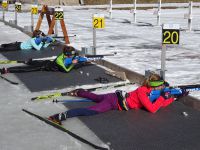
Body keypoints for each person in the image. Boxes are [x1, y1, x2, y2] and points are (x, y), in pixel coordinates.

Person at [48, 73, 189, 125]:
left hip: (115, 96)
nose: (163, 87)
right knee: (91, 111)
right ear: (155, 86)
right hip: (114, 102)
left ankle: (79, 92)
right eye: (161, 86)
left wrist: (174, 98)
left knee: (95, 97)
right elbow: (153, 109)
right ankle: (59, 116)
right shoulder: (142, 92)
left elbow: (160, 103)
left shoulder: (151, 92)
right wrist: (164, 97)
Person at [0, 45, 89, 74]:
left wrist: (84, 60)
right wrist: (73, 64)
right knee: (25, 69)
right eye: (71, 54)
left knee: (34, 63)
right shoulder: (59, 60)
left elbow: (76, 56)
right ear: (67, 54)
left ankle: (28, 61)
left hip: (48, 62)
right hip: (44, 66)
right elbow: (66, 71)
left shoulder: (65, 54)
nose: (72, 55)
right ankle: (7, 70)